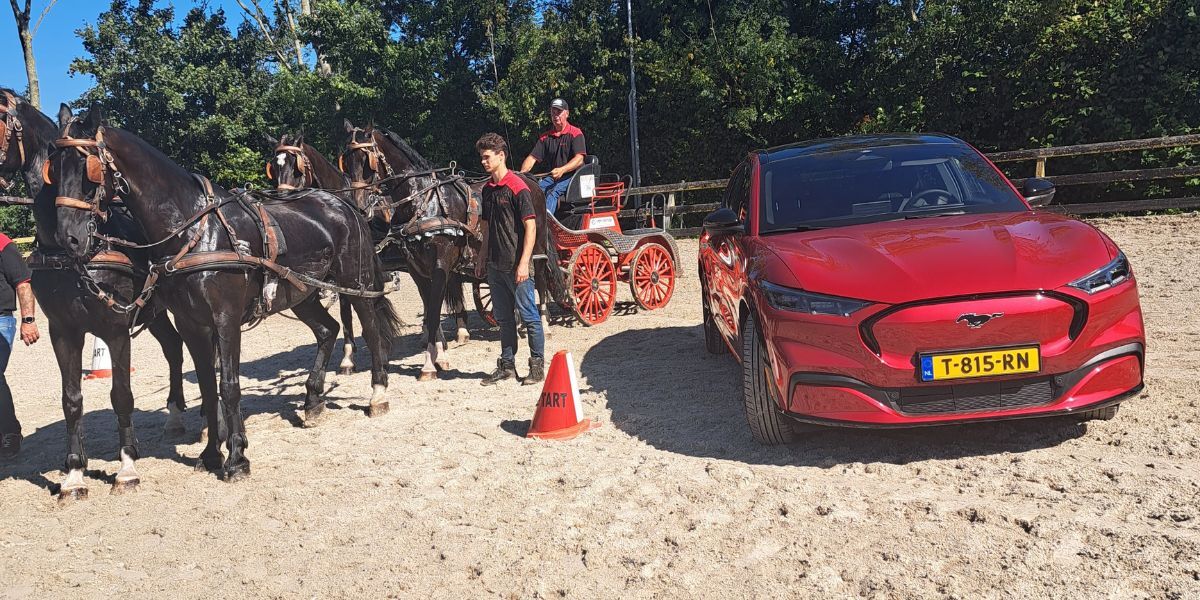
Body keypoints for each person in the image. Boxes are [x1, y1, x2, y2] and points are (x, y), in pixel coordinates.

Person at [475, 132, 545, 386]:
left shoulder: (518, 188)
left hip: (516, 265)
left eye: (487, 157)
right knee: (503, 319)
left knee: (529, 316)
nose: (483, 162)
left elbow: (531, 227)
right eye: (481, 157)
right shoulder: (487, 190)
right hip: (495, 264)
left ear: (500, 156)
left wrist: (524, 262)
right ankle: (507, 366)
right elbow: (485, 226)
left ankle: (537, 367)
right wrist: (482, 256)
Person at [0, 231, 39, 459]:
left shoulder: (3, 244)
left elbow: (23, 283)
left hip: (1, 319)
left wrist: (28, 320)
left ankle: (10, 433)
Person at [520, 98, 586, 217]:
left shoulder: (576, 133)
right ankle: (530, 222)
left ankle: (546, 225)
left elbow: (579, 159)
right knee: (536, 190)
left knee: (553, 192)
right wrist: (521, 175)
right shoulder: (546, 138)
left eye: (559, 112)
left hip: (574, 176)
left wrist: (562, 170)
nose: (556, 116)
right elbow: (531, 158)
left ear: (567, 113)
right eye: (553, 113)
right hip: (554, 177)